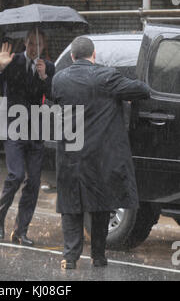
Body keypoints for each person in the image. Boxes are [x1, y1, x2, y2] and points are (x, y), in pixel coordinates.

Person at [52, 36, 151, 269]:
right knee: (100, 205)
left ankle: (70, 256)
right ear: (93, 55)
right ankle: (98, 256)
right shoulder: (107, 76)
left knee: (70, 205)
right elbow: (142, 90)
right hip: (100, 155)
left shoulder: (59, 79)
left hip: (70, 154)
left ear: (73, 56)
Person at [0, 29, 55, 246]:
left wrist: (44, 77)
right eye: (30, 43)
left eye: (38, 44)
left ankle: (21, 230)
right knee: (16, 175)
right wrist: (0, 66)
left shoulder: (48, 66)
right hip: (14, 126)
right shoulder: (13, 61)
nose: (33, 48)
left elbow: (54, 94)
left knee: (34, 182)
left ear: (43, 47)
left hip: (35, 130)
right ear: (25, 44)